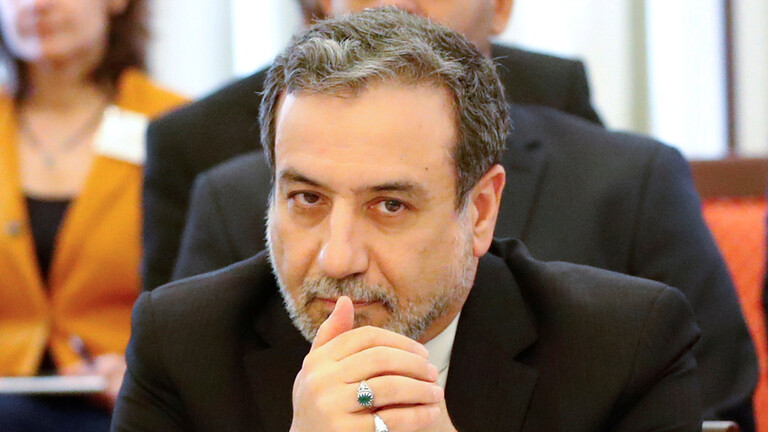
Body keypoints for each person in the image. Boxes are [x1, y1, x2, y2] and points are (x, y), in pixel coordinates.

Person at [112, 9, 703, 431]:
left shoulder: (622, 349)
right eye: (308, 199)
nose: (338, 258)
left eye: (389, 206)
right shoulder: (184, 343)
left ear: (480, 211)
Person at [141, 0, 602, 292]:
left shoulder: (601, 164)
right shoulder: (214, 165)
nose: (398, 4)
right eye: (308, 197)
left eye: (392, 204)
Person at [0, 0, 186, 430]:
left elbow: (205, 286)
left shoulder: (176, 125)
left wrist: (146, 367)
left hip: (125, 402)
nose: (37, 6)